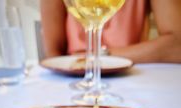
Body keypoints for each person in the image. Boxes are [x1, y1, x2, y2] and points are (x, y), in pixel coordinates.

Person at [40, 0, 181, 63]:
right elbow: (53, 54)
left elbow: (177, 45)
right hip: (75, 77)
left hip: (134, 73)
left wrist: (99, 56)